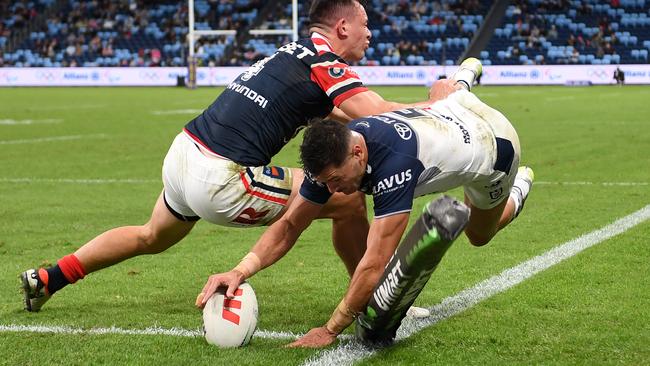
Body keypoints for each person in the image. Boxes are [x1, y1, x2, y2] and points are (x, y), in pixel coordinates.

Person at [21, 0, 460, 312]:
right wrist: (443, 102)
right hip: (223, 177)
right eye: (365, 23)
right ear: (342, 27)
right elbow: (376, 114)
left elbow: (351, 121)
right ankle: (369, 298)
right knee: (346, 200)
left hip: (184, 153)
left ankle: (50, 278)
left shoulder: (291, 55)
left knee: (151, 235)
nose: (371, 33)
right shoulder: (324, 62)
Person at [201, 84, 534, 348]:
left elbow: (375, 264)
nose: (333, 189)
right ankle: (460, 81)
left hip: (496, 147)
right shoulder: (338, 152)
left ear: (358, 153)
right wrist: (240, 271)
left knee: (479, 234)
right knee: (441, 88)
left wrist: (330, 330)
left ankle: (518, 189)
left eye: (336, 181)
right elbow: (290, 225)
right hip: (453, 110)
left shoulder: (395, 166)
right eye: (326, 182)